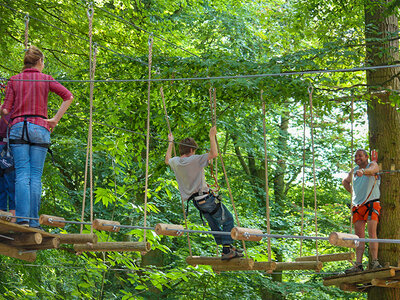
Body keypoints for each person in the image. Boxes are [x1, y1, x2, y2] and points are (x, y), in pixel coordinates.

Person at [2, 46, 73, 228]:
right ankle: (33, 222)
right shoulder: (45, 79)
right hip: (40, 128)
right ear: (40, 61)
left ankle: (23, 219)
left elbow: (5, 110)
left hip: (18, 128)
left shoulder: (14, 80)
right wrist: (55, 119)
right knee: (35, 176)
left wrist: (10, 117)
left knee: (22, 175)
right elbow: (68, 96)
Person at [165, 126, 242, 260]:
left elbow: (167, 159)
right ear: (191, 150)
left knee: (215, 225)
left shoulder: (176, 162)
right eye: (194, 151)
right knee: (228, 220)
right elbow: (214, 154)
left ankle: (227, 248)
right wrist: (212, 136)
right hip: (206, 199)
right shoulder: (194, 159)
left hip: (196, 202)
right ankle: (226, 249)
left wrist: (170, 143)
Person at [342, 149, 382, 273]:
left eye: (360, 156)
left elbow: (374, 170)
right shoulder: (353, 171)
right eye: (355, 156)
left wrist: (363, 172)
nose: (357, 158)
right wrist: (353, 194)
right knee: (358, 237)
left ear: (366, 157)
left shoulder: (372, 165)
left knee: (372, 234)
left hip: (371, 203)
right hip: (358, 205)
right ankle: (358, 265)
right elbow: (345, 181)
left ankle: (374, 261)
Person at [0, 115, 16, 220]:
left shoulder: (17, 112)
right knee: (4, 182)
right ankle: (3, 212)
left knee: (12, 182)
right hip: (5, 146)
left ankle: (13, 216)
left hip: (11, 147)